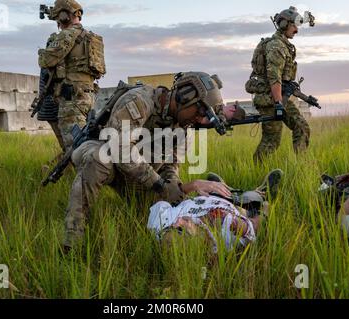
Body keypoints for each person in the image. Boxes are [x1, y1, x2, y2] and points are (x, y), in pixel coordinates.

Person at [63, 71, 236, 252]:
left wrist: (175, 188)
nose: (201, 119)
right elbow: (119, 149)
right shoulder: (139, 101)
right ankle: (72, 240)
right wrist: (159, 184)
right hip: (106, 156)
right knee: (99, 158)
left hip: (137, 172)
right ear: (185, 97)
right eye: (200, 112)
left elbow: (171, 165)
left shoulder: (184, 127)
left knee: (150, 218)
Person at [148, 169, 284, 252]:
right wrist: (265, 210)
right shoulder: (225, 232)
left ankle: (222, 187)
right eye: (181, 230)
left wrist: (194, 185)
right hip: (232, 204)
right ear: (198, 240)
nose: (178, 221)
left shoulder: (160, 224)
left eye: (172, 227)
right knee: (248, 200)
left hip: (206, 195)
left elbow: (166, 196)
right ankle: (262, 192)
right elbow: (254, 227)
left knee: (214, 185)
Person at [245, 6, 311, 162]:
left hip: (279, 97)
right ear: (284, 25)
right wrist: (278, 103)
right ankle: (257, 170)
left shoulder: (283, 45)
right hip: (271, 99)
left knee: (302, 127)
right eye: (294, 25)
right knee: (271, 140)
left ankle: (301, 165)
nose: (296, 30)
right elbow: (274, 77)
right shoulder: (277, 46)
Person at [38, 0, 106, 150]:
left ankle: (88, 173)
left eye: (57, 18)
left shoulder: (66, 35)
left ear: (64, 16)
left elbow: (45, 61)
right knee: (87, 141)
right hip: (89, 97)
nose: (58, 23)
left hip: (72, 99)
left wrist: (43, 50)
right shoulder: (91, 38)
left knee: (76, 149)